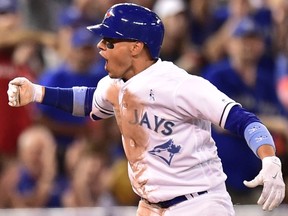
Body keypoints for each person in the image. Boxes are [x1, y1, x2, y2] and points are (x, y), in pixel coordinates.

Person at [6, 3, 286, 216]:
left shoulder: (180, 85)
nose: (101, 47)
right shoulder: (114, 84)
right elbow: (91, 100)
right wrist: (37, 92)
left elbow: (242, 119)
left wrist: (269, 157)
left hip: (199, 204)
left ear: (136, 47)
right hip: (152, 206)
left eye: (110, 41)